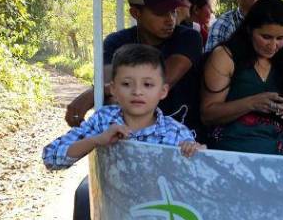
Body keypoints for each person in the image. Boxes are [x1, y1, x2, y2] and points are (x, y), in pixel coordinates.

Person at [64, 0, 204, 135]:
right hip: (128, 140)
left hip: (184, 143)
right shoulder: (116, 42)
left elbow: (157, 82)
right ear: (135, 13)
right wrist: (104, 91)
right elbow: (112, 95)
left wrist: (95, 93)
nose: (170, 19)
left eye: (173, 10)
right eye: (160, 12)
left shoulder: (189, 38)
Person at [44, 44, 204, 169]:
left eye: (147, 84)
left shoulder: (177, 134)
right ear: (113, 89)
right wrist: (97, 140)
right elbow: (51, 157)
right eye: (126, 84)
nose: (137, 91)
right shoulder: (102, 121)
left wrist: (198, 154)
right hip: (110, 209)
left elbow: (199, 179)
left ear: (163, 91)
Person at [200, 0, 283, 155]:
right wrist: (252, 103)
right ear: (249, 30)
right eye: (266, 37)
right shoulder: (225, 56)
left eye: (280, 38)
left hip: (280, 152)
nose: (273, 45)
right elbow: (208, 114)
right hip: (233, 151)